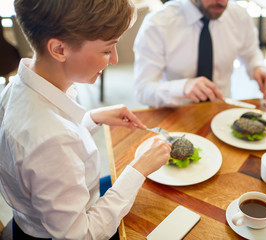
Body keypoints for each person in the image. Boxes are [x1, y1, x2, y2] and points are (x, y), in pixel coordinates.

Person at [0, 0, 172, 239]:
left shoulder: (19, 87)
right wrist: (139, 168)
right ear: (59, 49)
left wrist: (92, 118)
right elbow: (82, 234)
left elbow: (47, 152)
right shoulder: (50, 139)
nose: (113, 59)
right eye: (106, 50)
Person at [133, 0, 266, 107]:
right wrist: (182, 88)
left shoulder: (239, 16)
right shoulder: (158, 23)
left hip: (221, 108)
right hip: (175, 111)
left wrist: (258, 67)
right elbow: (142, 89)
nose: (221, 2)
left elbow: (250, 52)